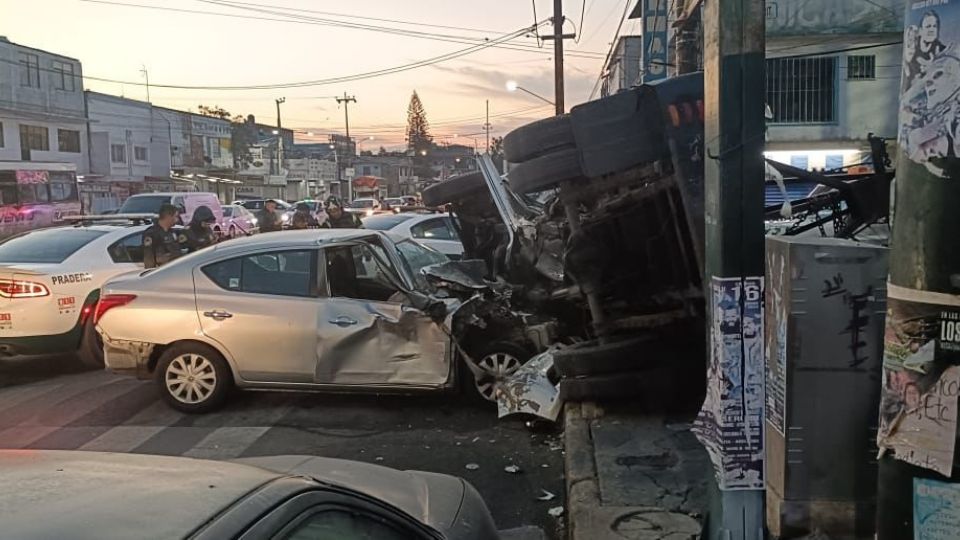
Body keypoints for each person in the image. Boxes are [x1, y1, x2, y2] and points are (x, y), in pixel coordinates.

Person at [142, 203, 182, 269]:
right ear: (168, 216)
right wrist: (151, 272)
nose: (177, 220)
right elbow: (149, 257)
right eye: (176, 216)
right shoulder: (152, 233)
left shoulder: (172, 232)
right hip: (162, 271)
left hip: (176, 269)